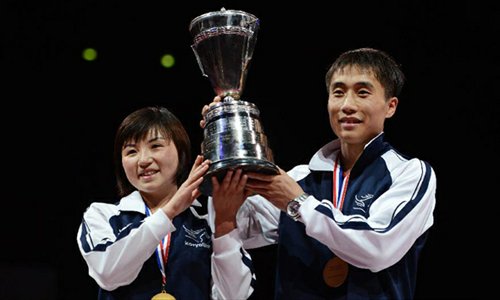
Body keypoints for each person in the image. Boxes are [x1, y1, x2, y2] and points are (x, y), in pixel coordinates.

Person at [202, 47, 437, 299]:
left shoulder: (409, 173)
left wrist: (299, 203)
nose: (347, 105)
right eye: (338, 93)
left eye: (362, 92)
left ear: (390, 107)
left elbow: (377, 247)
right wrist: (224, 136)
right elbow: (234, 229)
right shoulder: (299, 178)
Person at [77, 106, 255, 299]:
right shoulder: (103, 215)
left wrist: (225, 225)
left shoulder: (208, 217)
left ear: (181, 151)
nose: (143, 160)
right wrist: (170, 210)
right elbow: (108, 274)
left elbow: (234, 296)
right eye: (131, 151)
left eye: (155, 146)